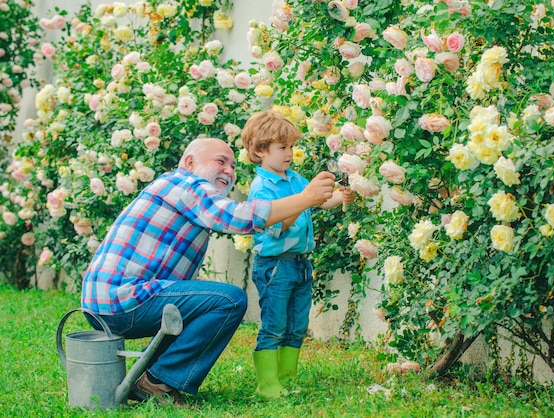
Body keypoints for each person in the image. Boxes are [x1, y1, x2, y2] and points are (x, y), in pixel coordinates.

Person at [80, 137, 337, 405]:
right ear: (190, 162)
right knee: (229, 300)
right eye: (220, 161)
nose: (229, 170)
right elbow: (237, 217)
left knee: (206, 301)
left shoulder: (172, 188)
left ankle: (146, 378)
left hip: (110, 301)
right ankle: (158, 382)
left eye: (233, 166)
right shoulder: (186, 183)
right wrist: (305, 198)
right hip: (123, 299)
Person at [241, 110, 354, 398]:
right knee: (274, 325)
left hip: (300, 263)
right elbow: (276, 224)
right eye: (282, 147)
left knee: (297, 325)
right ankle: (267, 385)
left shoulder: (294, 179)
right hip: (275, 265)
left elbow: (318, 203)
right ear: (259, 151)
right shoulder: (262, 187)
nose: (289, 153)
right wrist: (304, 200)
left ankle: (285, 380)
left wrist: (341, 196)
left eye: (291, 146)